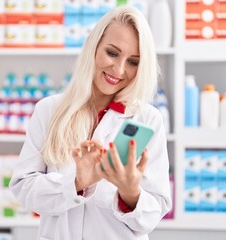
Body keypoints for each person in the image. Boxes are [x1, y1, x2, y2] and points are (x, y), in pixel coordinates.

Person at [10, 5, 172, 240]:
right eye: (112, 53)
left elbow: (152, 215)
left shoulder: (147, 120)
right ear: (93, 46)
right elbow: (23, 189)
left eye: (133, 62)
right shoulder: (48, 110)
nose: (118, 69)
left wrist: (131, 194)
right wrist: (76, 182)